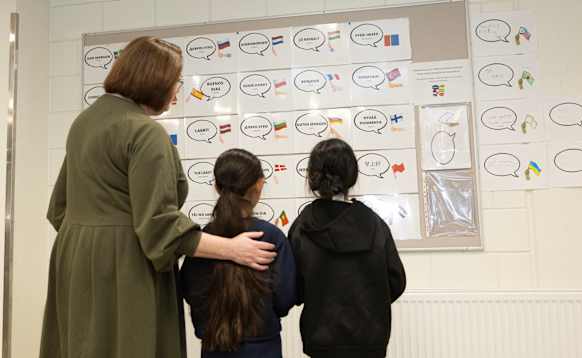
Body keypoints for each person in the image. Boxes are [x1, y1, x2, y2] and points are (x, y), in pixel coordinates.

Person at [40, 37, 276, 358]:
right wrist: (233, 249)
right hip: (126, 269)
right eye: (176, 81)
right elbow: (159, 227)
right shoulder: (145, 132)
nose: (178, 90)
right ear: (156, 80)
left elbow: (59, 209)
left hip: (74, 262)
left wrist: (91, 242)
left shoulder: (84, 123)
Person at [288, 138, 407, 358]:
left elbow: (292, 288)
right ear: (352, 174)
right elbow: (396, 281)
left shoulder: (302, 226)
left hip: (320, 341)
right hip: (370, 340)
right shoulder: (375, 224)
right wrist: (368, 300)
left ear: (313, 175)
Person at [180, 148, 296, 358]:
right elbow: (285, 297)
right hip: (263, 347)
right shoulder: (271, 237)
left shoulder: (202, 240)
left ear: (216, 186)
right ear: (259, 185)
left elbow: (189, 289)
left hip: (214, 345)